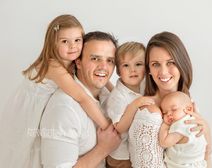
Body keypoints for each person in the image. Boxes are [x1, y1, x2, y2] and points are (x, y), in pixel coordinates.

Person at [0, 15, 110, 168]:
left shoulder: (73, 61)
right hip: (28, 111)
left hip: (41, 107)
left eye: (77, 40)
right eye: (65, 41)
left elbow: (104, 80)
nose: (73, 46)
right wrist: (108, 128)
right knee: (26, 150)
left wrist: (117, 90)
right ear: (53, 43)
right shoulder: (54, 66)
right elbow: (82, 97)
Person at [128, 31, 212, 168]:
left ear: (181, 64)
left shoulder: (189, 106)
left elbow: (206, 157)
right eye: (155, 64)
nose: (163, 72)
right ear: (148, 69)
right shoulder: (149, 114)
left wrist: (207, 133)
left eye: (170, 62)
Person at [40, 31, 121, 168]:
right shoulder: (64, 108)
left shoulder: (108, 96)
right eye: (95, 59)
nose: (103, 67)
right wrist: (103, 149)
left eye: (110, 60)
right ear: (78, 62)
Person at [104, 42, 155, 168]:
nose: (133, 70)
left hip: (138, 150)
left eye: (138, 64)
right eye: (126, 65)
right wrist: (134, 105)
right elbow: (119, 127)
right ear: (118, 71)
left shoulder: (145, 85)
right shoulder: (118, 96)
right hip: (121, 156)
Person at [159, 91, 207, 167]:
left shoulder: (183, 124)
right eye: (164, 113)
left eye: (174, 109)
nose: (168, 114)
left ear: (189, 109)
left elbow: (164, 142)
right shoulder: (194, 120)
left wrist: (165, 125)